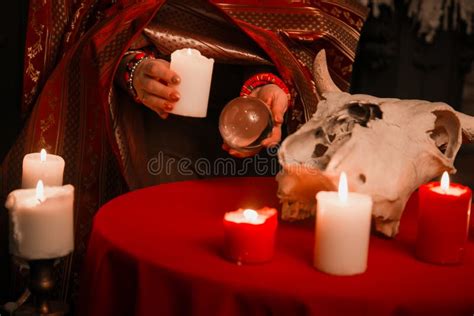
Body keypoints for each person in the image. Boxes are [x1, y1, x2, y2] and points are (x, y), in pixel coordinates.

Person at [0, 0, 366, 308]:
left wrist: (272, 83)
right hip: (142, 137)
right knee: (162, 274)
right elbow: (96, 13)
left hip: (255, 145)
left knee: (243, 281)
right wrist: (131, 67)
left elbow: (306, 22)